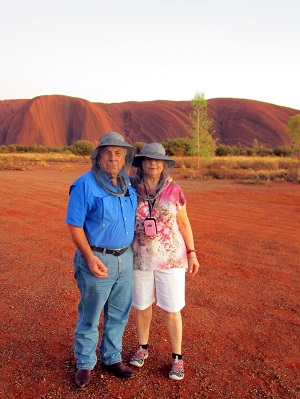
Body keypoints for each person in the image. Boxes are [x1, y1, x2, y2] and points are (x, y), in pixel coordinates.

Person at [65, 132, 137, 389]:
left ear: (125, 157)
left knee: (119, 315)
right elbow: (74, 226)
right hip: (97, 259)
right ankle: (85, 363)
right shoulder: (84, 185)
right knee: (90, 314)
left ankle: (111, 357)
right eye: (107, 152)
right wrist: (89, 257)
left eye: (119, 153)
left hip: (125, 259)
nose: (113, 157)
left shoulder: (128, 185)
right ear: (98, 156)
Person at [129, 142, 200, 380]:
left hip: (171, 259)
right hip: (139, 256)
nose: (153, 164)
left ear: (164, 165)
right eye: (148, 160)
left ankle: (177, 358)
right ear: (141, 164)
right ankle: (142, 348)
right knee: (142, 305)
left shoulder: (174, 190)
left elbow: (184, 223)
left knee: (172, 309)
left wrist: (192, 252)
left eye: (158, 160)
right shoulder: (132, 188)